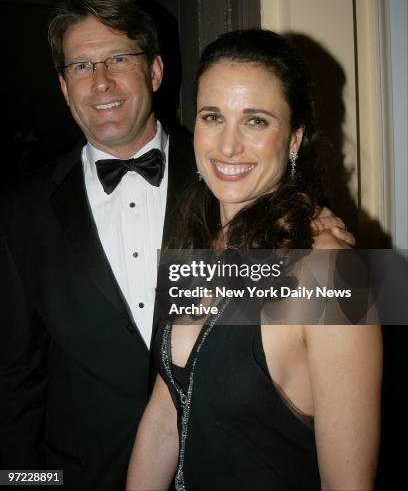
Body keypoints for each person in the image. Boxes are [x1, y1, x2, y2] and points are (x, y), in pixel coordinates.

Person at [0, 0, 351, 491]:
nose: (101, 81)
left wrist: (316, 224)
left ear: (157, 72)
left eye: (120, 59)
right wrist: (23, 482)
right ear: (63, 86)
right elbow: (14, 381)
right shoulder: (19, 212)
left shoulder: (224, 178)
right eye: (81, 65)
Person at [126, 29, 382, 491]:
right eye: (212, 117)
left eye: (256, 121)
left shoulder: (329, 274)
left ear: (293, 139)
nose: (227, 146)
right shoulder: (195, 247)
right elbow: (166, 415)